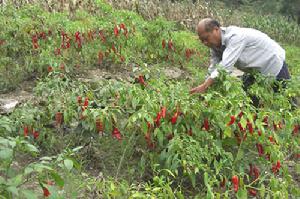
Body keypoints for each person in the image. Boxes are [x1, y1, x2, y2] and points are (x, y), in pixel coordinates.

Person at [190, 18, 291, 98]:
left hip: (273, 63)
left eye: (206, 38)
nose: (205, 43)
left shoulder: (235, 37)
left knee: (287, 101)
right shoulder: (215, 46)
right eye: (202, 40)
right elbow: (214, 66)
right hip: (255, 71)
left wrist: (205, 86)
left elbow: (225, 66)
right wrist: (204, 84)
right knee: (248, 100)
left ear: (216, 29)